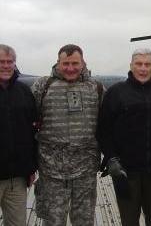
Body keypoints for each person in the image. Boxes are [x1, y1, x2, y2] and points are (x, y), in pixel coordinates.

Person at [96, 48, 151, 226]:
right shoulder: (116, 93)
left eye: (147, 64)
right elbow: (103, 129)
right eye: (139, 64)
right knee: (129, 219)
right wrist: (111, 158)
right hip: (125, 170)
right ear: (131, 66)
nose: (143, 68)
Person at [31, 44, 103, 226]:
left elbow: (108, 124)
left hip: (85, 170)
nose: (70, 68)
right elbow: (27, 121)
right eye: (66, 63)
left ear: (83, 63)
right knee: (53, 221)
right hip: (52, 171)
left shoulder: (96, 88)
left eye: (75, 63)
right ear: (58, 63)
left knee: (84, 221)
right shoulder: (43, 86)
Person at [0, 44, 37, 226]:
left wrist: (31, 167)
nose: (6, 66)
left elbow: (31, 132)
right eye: (1, 62)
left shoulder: (24, 92)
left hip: (17, 177)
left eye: (10, 62)